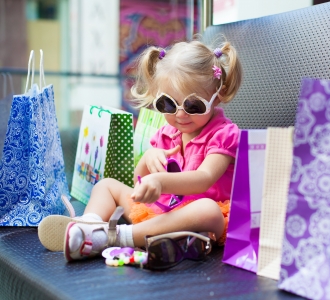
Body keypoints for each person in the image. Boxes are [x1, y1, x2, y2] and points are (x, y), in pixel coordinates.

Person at [38, 38, 243, 261]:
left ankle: (114, 237)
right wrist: (147, 159)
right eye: (168, 104)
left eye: (194, 106)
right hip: (162, 210)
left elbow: (204, 178)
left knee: (207, 210)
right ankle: (89, 226)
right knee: (106, 185)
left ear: (218, 96)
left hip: (199, 218)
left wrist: (161, 181)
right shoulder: (167, 133)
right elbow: (140, 185)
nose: (181, 115)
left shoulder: (224, 134)